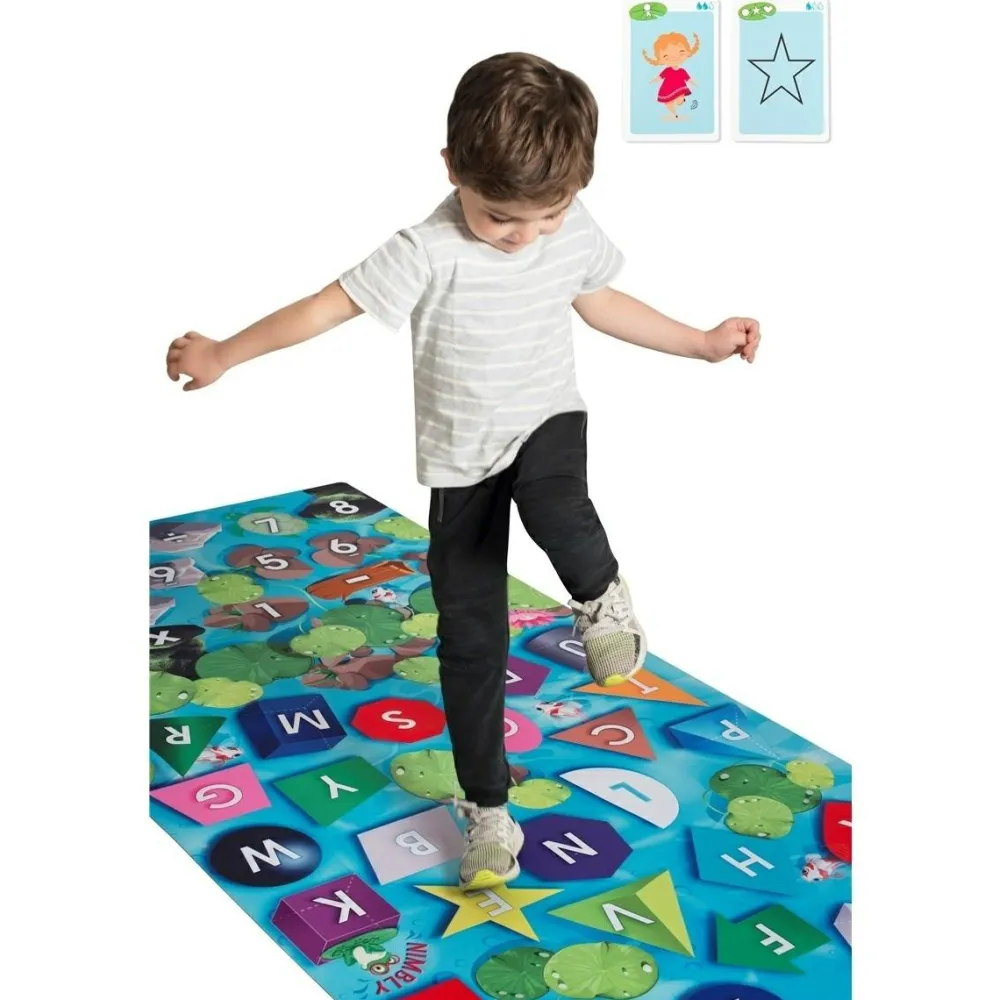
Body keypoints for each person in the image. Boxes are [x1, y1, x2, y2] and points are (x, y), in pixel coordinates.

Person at [166, 51, 761, 893]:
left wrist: (698, 341)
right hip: (460, 463)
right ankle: (489, 813)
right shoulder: (426, 249)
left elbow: (601, 300)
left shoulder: (568, 228)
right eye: (501, 217)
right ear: (452, 170)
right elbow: (323, 307)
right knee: (470, 644)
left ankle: (602, 599)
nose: (525, 236)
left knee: (555, 502)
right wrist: (224, 352)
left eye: (549, 215)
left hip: (546, 420)